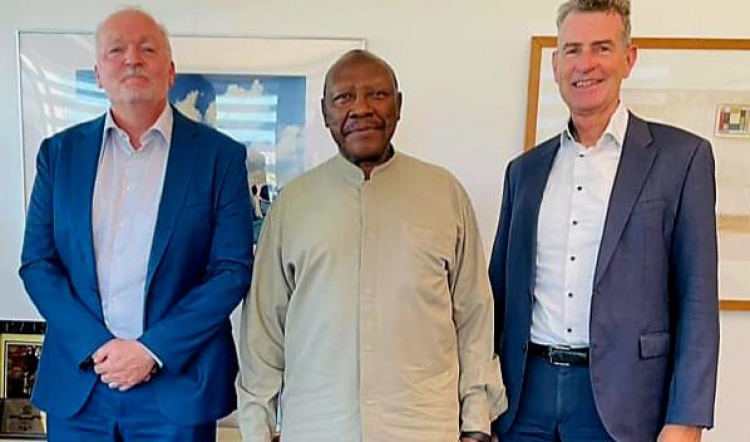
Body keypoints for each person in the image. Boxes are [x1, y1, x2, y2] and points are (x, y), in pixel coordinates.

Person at [237, 49, 507, 442]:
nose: (361, 109)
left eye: (377, 95)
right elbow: (263, 332)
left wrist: (477, 424)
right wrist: (257, 429)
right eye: (344, 97)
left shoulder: (444, 195)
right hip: (318, 426)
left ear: (399, 105)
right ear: (325, 112)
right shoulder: (293, 205)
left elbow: (474, 318)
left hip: (423, 426)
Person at [19, 7, 254, 441]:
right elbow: (37, 264)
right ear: (98, 74)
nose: (132, 59)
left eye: (147, 49)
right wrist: (98, 345)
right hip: (82, 384)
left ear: (171, 71)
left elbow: (231, 270)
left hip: (178, 385)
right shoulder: (59, 154)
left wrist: (152, 350)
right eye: (116, 50)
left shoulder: (219, 157)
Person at [488, 1, 719, 441]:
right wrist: (482, 409)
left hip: (625, 405)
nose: (585, 64)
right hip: (523, 404)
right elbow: (497, 296)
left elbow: (698, 299)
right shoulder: (524, 172)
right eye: (572, 50)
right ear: (556, 65)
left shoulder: (682, 159)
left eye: (602, 48)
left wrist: (687, 418)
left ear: (629, 59)